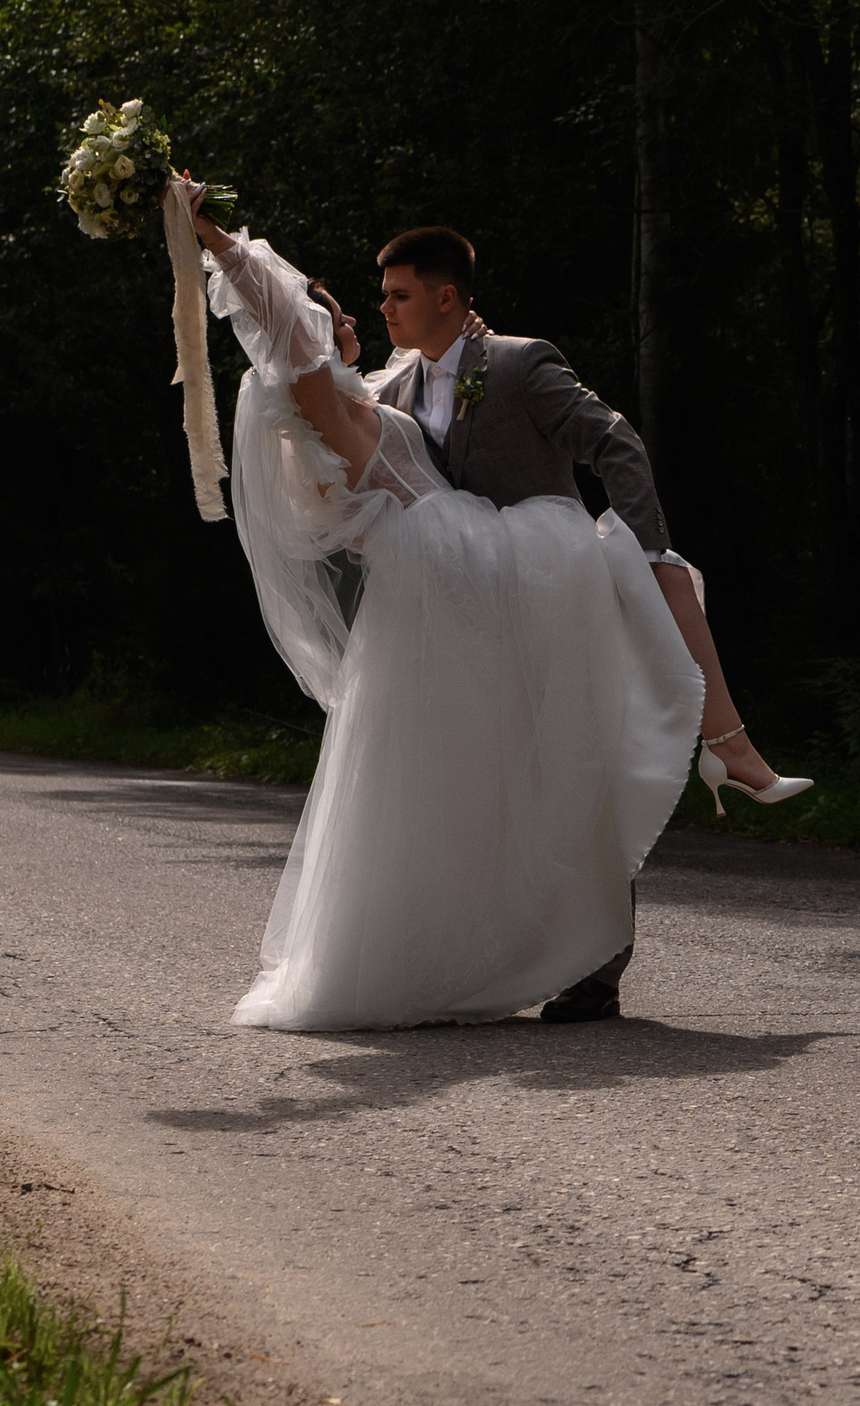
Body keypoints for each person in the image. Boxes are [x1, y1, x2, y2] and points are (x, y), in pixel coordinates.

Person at [177, 181, 807, 1029]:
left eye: (398, 295)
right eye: (373, 301)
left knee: (582, 747)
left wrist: (647, 540)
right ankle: (508, 936)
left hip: (524, 581)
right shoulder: (350, 394)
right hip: (459, 595)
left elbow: (611, 440)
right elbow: (283, 323)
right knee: (499, 787)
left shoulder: (490, 364)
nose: (382, 312)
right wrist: (213, 239)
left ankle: (604, 947)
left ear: (446, 297)